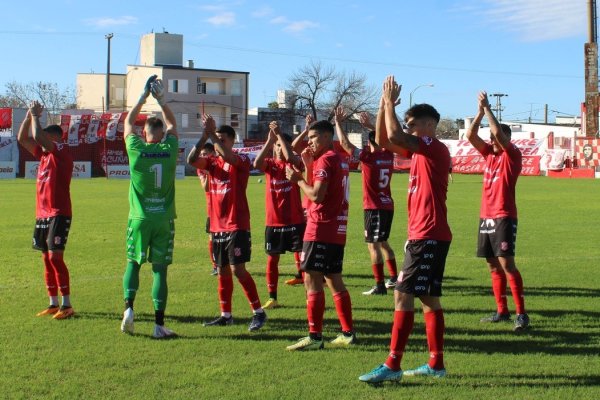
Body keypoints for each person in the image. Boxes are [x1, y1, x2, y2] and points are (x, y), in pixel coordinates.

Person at [360, 76, 451, 383]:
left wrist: (387, 103)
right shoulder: (420, 152)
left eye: (413, 123)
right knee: (428, 298)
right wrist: (382, 104)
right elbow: (386, 140)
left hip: (428, 234)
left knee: (402, 294)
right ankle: (436, 364)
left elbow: (395, 133)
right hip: (424, 234)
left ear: (428, 125)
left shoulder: (433, 148)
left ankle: (392, 365)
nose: (409, 128)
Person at [188, 115, 267, 332]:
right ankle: (226, 315)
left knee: (238, 270)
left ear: (232, 141)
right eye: (217, 139)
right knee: (222, 271)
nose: (218, 143)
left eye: (223, 139)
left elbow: (229, 158)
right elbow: (191, 160)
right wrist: (205, 135)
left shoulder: (240, 160)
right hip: (217, 226)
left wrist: (212, 133)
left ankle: (259, 312)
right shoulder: (212, 163)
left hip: (236, 224)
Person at [285, 119, 355, 350]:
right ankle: (347, 332)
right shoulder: (339, 159)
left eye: (313, 137)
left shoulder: (326, 159)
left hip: (320, 227)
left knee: (311, 278)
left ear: (327, 137)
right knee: (334, 278)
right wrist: (308, 166)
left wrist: (297, 180)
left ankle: (315, 337)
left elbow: (316, 195)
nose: (310, 142)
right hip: (336, 228)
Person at [120, 76, 179, 339]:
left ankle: (129, 310)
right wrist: (161, 100)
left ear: (145, 134)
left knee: (133, 264)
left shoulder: (135, 148)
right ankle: (158, 325)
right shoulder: (169, 148)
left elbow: (127, 123)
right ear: (163, 133)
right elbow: (173, 124)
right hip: (163, 219)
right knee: (159, 271)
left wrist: (143, 97)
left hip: (139, 218)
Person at [466, 91, 529, 332]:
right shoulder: (489, 156)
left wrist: (489, 110)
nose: (492, 141)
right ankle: (502, 311)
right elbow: (471, 135)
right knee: (492, 265)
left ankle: (521, 314)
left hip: (504, 215)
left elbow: (498, 136)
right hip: (486, 216)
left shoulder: (512, 155)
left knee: (507, 263)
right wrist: (480, 112)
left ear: (506, 139)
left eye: (497, 138)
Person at [18, 101, 75, 320]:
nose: (40, 143)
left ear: (55, 139)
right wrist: (27, 116)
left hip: (59, 213)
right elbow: (23, 139)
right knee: (45, 259)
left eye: (45, 139)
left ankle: (67, 304)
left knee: (55, 258)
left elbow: (38, 136)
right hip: (42, 213)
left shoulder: (61, 151)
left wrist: (35, 117)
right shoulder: (43, 156)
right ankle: (52, 304)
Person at [333, 106, 399, 296]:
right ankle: (394, 277)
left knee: (373, 245)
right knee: (383, 242)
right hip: (387, 204)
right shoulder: (388, 154)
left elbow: (345, 145)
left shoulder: (369, 157)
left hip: (374, 207)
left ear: (369, 142)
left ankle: (379, 286)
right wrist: (370, 125)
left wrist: (338, 123)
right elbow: (382, 139)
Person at [253, 121, 305, 309]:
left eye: (281, 146)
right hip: (273, 222)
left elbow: (291, 158)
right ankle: (272, 297)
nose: (278, 149)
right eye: (276, 146)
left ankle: (310, 296)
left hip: (295, 221)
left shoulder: (294, 163)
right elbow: (256, 163)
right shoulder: (270, 165)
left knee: (304, 260)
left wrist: (281, 137)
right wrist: (269, 140)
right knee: (272, 259)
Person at [284, 113, 316, 286]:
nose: (310, 143)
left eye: (313, 138)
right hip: (304, 204)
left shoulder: (322, 160)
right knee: (300, 241)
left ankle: (317, 274)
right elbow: (293, 148)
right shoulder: (306, 158)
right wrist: (305, 130)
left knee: (309, 241)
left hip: (314, 204)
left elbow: (291, 149)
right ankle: (301, 274)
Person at [187, 140, 218, 276]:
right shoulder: (202, 168)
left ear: (213, 153)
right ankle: (215, 266)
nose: (203, 156)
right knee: (212, 238)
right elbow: (206, 187)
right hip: (212, 210)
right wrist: (210, 171)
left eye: (206, 154)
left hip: (228, 207)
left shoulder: (220, 163)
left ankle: (231, 263)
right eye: (202, 154)